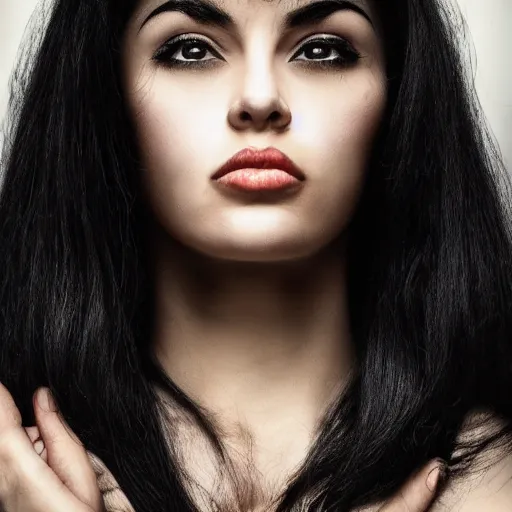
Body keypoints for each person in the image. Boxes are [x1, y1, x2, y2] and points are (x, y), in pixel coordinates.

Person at [0, 0, 511, 510]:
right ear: (104, 91)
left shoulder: (494, 485)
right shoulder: (17, 467)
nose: (260, 98)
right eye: (191, 50)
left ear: (400, 92)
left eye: (322, 50)